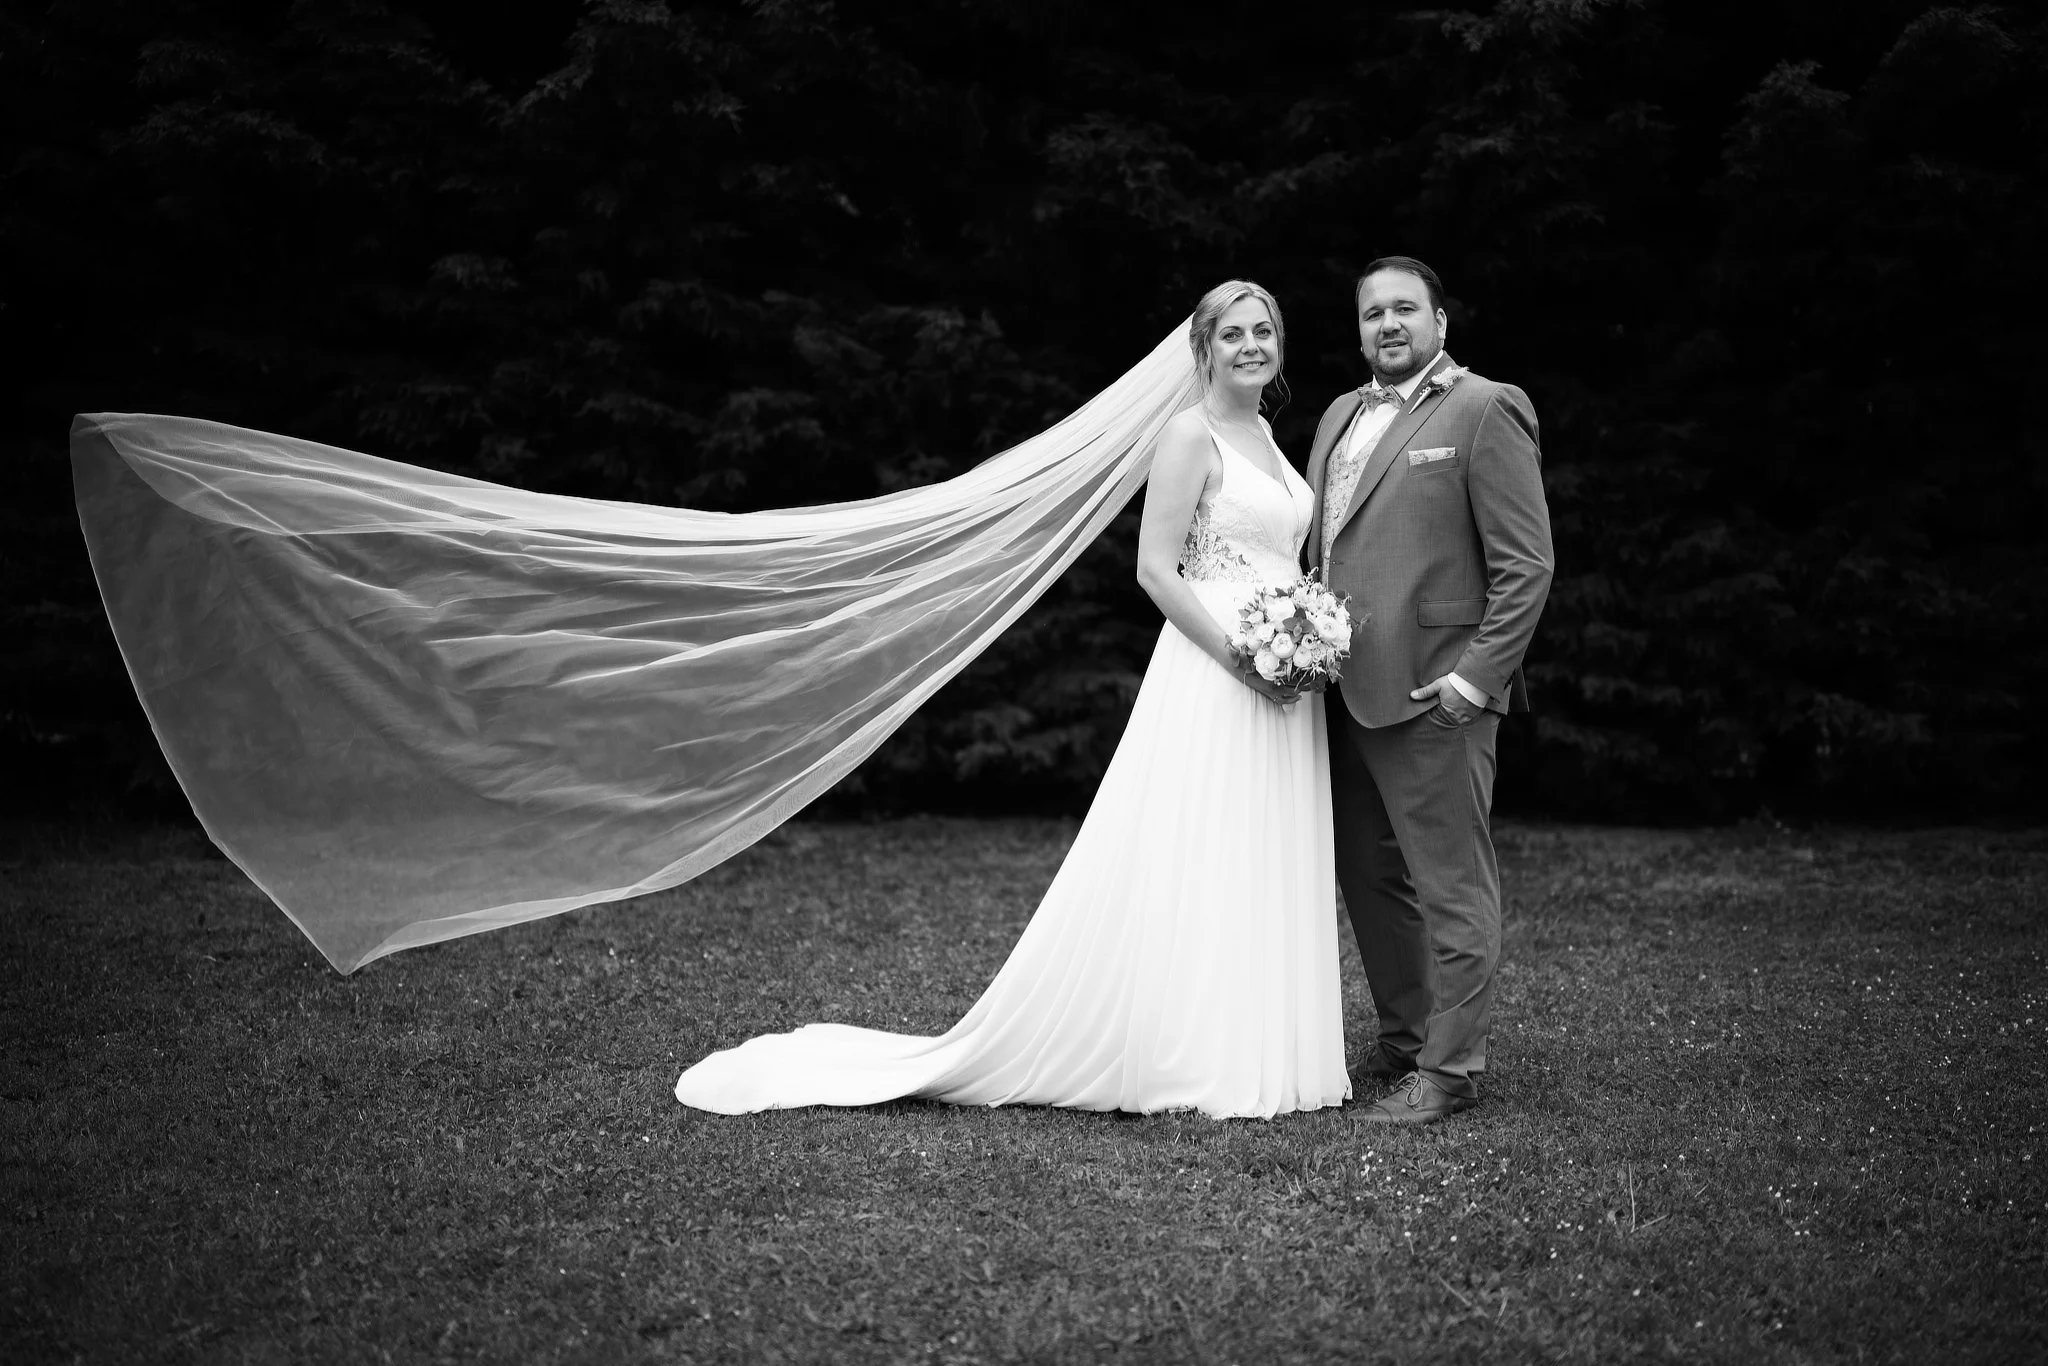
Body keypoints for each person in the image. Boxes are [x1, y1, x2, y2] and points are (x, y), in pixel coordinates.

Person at [673, 281, 1351, 1118]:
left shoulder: (1270, 436)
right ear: (1203, 349)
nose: (1251, 346)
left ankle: (1261, 1042)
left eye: (1264, 331)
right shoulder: (1189, 434)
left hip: (1283, 675)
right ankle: (1197, 1055)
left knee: (1260, 846)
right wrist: (1242, 659)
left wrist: (1304, 638)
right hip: (1220, 668)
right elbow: (1154, 569)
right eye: (1233, 334)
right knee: (1207, 845)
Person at [1303, 256, 1554, 1125]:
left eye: (1405, 308)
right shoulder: (1338, 415)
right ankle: (1407, 1038)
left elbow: (1526, 567)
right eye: (1373, 312)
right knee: (1368, 874)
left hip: (1435, 695)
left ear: (1440, 322)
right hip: (1337, 694)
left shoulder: (1486, 408)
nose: (1388, 324)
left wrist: (1473, 682)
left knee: (1452, 884)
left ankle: (1450, 1072)